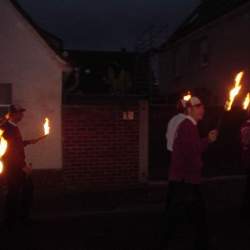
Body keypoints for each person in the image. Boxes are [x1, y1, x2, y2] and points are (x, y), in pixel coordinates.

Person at [163, 97, 218, 250]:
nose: (202, 110)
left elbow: (192, 147)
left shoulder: (189, 126)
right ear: (189, 110)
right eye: (198, 107)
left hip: (183, 179)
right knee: (195, 215)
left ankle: (193, 240)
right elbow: (192, 151)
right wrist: (208, 140)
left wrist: (207, 139)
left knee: (185, 214)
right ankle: (200, 242)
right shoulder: (187, 126)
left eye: (202, 106)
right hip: (185, 180)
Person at [1, 105, 45, 231]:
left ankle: (16, 219)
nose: (22, 115)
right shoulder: (7, 129)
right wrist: (23, 166)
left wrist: (29, 142)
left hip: (16, 166)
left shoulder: (13, 127)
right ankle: (14, 221)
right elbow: (11, 151)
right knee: (16, 192)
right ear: (13, 114)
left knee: (19, 191)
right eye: (20, 113)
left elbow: (15, 145)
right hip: (13, 167)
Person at [240, 114, 250, 217]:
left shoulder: (245, 124)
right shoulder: (247, 125)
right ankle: (244, 211)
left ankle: (244, 211)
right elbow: (246, 140)